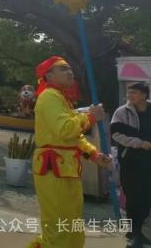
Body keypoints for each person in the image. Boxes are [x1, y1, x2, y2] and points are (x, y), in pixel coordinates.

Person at [28, 56, 112, 248]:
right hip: (53, 167)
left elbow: (73, 138)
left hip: (67, 167)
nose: (70, 72)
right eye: (63, 69)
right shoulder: (49, 97)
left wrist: (93, 154)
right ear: (49, 75)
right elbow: (65, 129)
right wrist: (90, 116)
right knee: (58, 226)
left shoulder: (62, 99)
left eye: (70, 69)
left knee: (72, 224)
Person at [111, 82, 151, 248]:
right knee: (133, 197)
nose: (130, 96)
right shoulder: (122, 112)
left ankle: (138, 231)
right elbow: (116, 134)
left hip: (149, 161)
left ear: (144, 94)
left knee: (146, 197)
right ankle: (135, 234)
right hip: (130, 161)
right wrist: (139, 143)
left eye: (134, 93)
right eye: (129, 93)